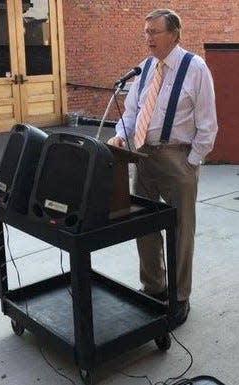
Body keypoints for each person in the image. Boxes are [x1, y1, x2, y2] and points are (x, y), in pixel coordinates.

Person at [108, 8, 218, 327]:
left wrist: (190, 163)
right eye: (146, 32)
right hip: (142, 157)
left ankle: (180, 296)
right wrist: (119, 137)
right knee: (143, 222)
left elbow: (207, 124)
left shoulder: (195, 68)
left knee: (182, 230)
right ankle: (154, 288)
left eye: (154, 32)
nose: (148, 38)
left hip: (177, 158)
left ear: (174, 34)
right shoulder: (144, 70)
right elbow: (131, 114)